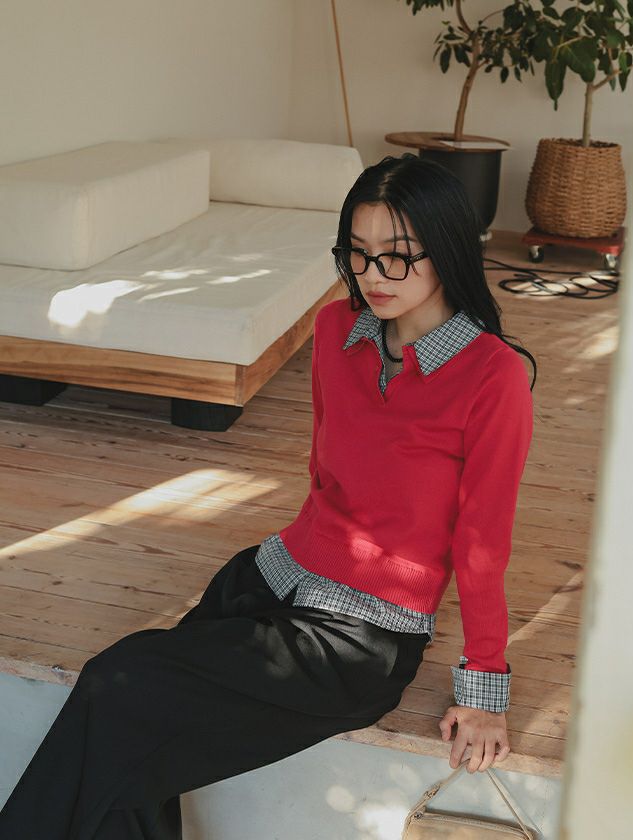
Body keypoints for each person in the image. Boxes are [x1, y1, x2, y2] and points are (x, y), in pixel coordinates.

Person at [0, 153, 536, 839]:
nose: (373, 275)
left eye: (398, 255)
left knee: (120, 684)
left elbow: (483, 542)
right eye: (358, 253)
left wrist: (484, 688)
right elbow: (325, 474)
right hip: (270, 576)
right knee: (136, 738)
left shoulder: (492, 376)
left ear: (449, 249)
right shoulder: (336, 331)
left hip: (358, 639)